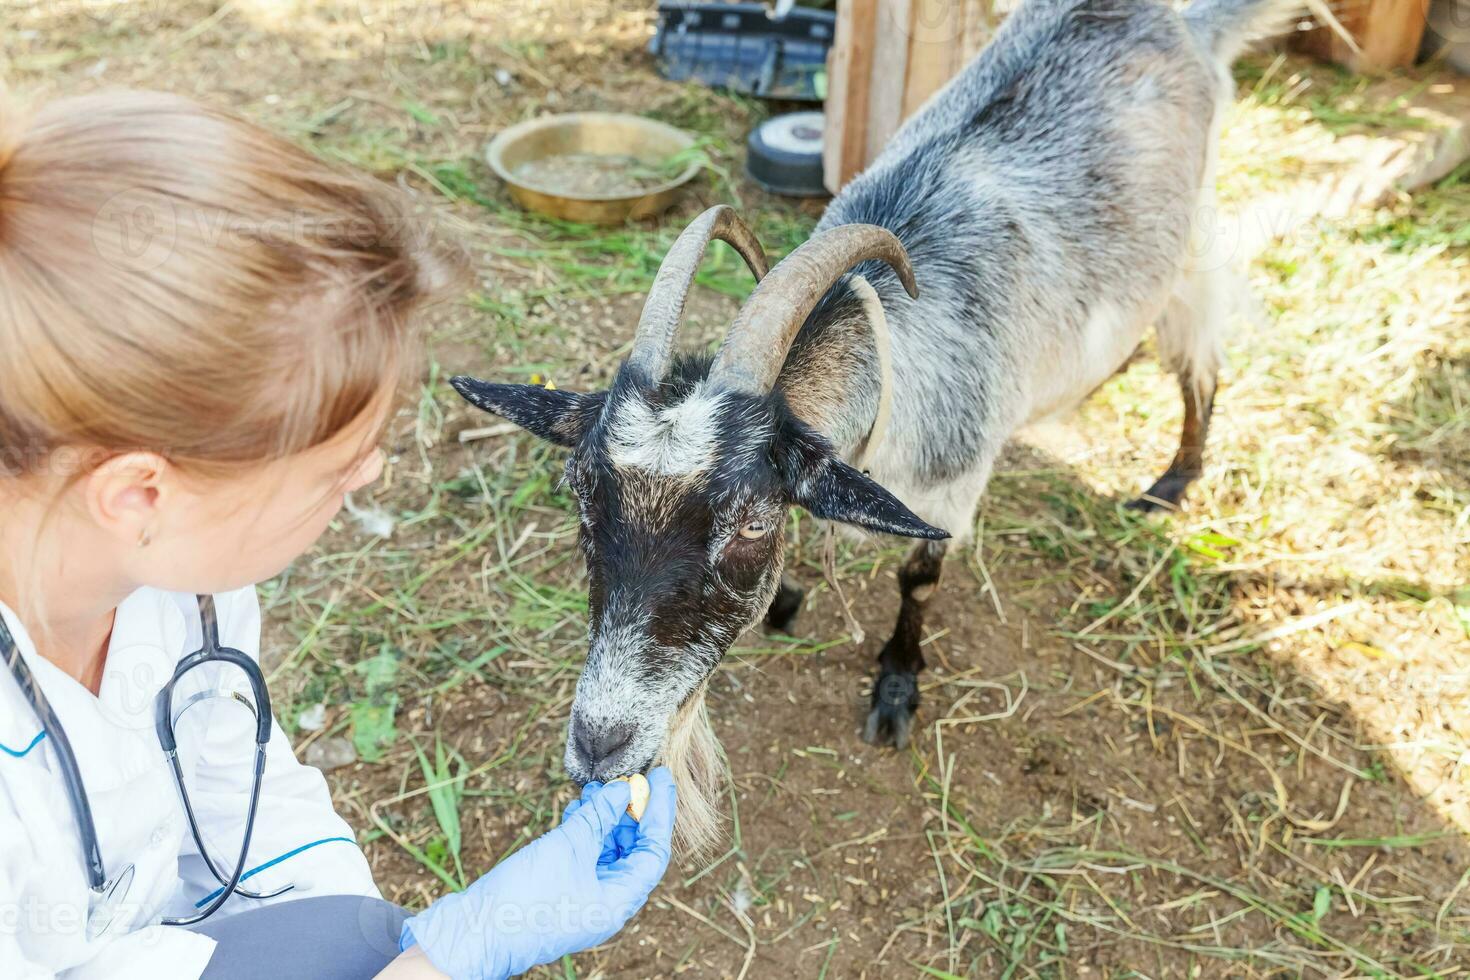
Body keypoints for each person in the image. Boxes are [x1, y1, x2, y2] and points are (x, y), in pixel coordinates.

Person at [0, 89, 676, 980]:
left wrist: (379, 947)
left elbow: (246, 802)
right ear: (138, 493)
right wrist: (439, 966)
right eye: (334, 468)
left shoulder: (174, 581)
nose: (373, 477)